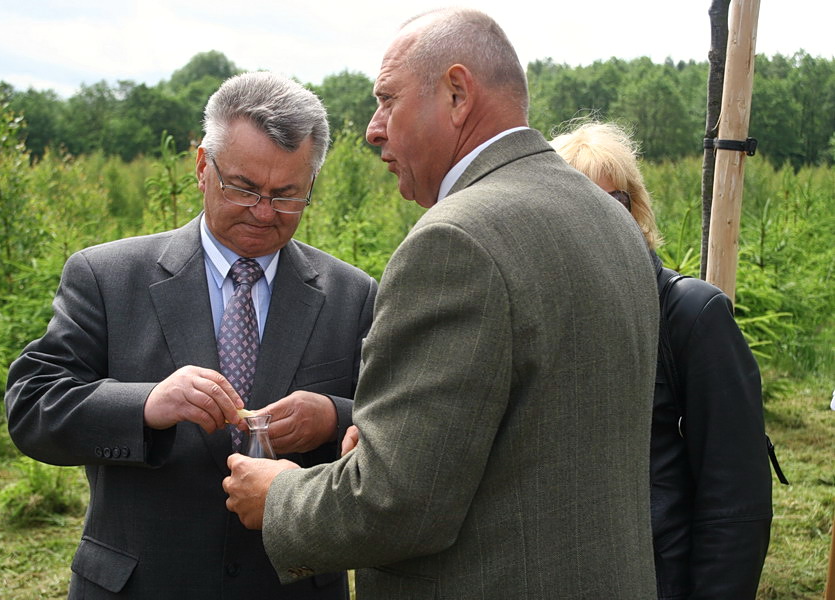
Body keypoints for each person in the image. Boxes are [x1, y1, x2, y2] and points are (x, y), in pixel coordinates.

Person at [222, 9, 660, 598]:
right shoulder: (605, 214)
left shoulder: (456, 241)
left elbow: (397, 503)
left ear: (457, 93)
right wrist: (381, 441)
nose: (373, 129)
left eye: (387, 101)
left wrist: (278, 495)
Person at [5, 71, 377, 599]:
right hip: (141, 584)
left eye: (287, 195)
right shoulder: (108, 276)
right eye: (244, 188)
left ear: (311, 185)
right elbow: (32, 407)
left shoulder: (353, 294)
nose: (264, 212)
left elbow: (394, 424)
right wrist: (147, 404)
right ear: (203, 166)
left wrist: (332, 417)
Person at [551, 120, 773, 599]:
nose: (603, 220)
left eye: (615, 202)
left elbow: (737, 502)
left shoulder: (691, 315)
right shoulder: (543, 321)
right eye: (576, 205)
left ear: (638, 210)